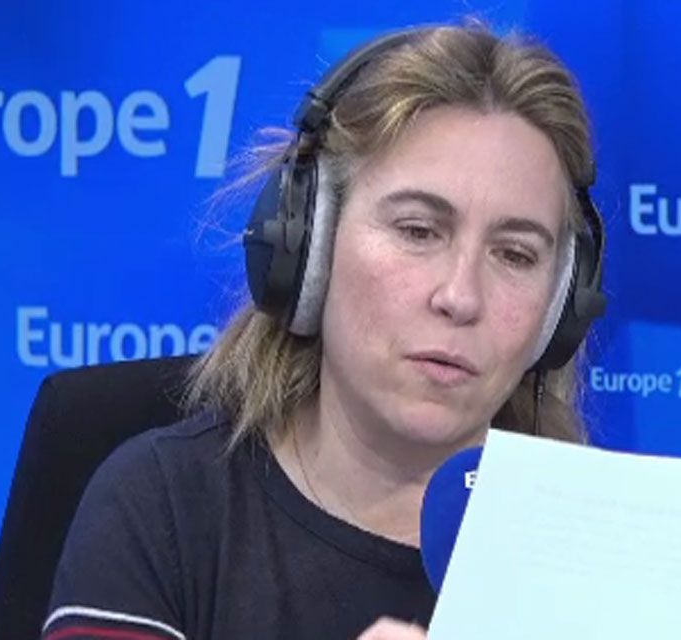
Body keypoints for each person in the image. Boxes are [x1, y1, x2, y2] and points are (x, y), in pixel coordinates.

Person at [40, 20, 605, 640]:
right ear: (310, 245)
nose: (460, 297)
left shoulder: (607, 559)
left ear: (560, 306)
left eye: (516, 255)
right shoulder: (162, 507)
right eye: (418, 231)